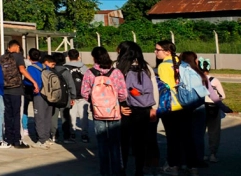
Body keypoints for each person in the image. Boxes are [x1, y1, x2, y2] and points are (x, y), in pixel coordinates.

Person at [82, 47, 127, 176]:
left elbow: (84, 93)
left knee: (102, 143)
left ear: (94, 58)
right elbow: (123, 93)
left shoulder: (89, 73)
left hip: (98, 112)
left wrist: (95, 101)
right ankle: (117, 171)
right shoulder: (116, 72)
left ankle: (105, 172)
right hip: (114, 111)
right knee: (114, 143)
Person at [156, 40, 199, 175]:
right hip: (186, 104)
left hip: (171, 106)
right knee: (187, 137)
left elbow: (165, 88)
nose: (155, 52)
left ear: (167, 51)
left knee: (173, 138)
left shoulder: (163, 66)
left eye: (158, 50)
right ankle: (192, 167)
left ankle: (173, 165)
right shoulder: (182, 63)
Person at [116, 42, 158, 176]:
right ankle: (139, 170)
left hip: (125, 108)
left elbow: (114, 90)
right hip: (144, 108)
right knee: (141, 141)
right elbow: (154, 89)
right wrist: (154, 108)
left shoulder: (119, 68)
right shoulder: (146, 67)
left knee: (123, 141)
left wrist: (119, 106)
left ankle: (122, 169)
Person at [1, 40, 36, 149]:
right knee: (17, 115)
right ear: (16, 47)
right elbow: (22, 70)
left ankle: (8, 138)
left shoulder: (2, 58)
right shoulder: (18, 56)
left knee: (8, 114)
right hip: (16, 90)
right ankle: (17, 140)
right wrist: (33, 81)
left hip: (5, 89)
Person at [63, 48, 90, 143]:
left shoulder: (65, 68)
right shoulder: (84, 68)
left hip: (70, 96)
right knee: (83, 116)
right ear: (79, 57)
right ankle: (84, 135)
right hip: (83, 96)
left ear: (69, 58)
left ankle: (72, 133)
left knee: (71, 115)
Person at [201, 59, 225, 163]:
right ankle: (212, 154)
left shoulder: (196, 79)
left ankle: (200, 153)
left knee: (199, 132)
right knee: (214, 132)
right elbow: (223, 96)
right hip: (213, 108)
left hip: (200, 107)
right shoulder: (215, 80)